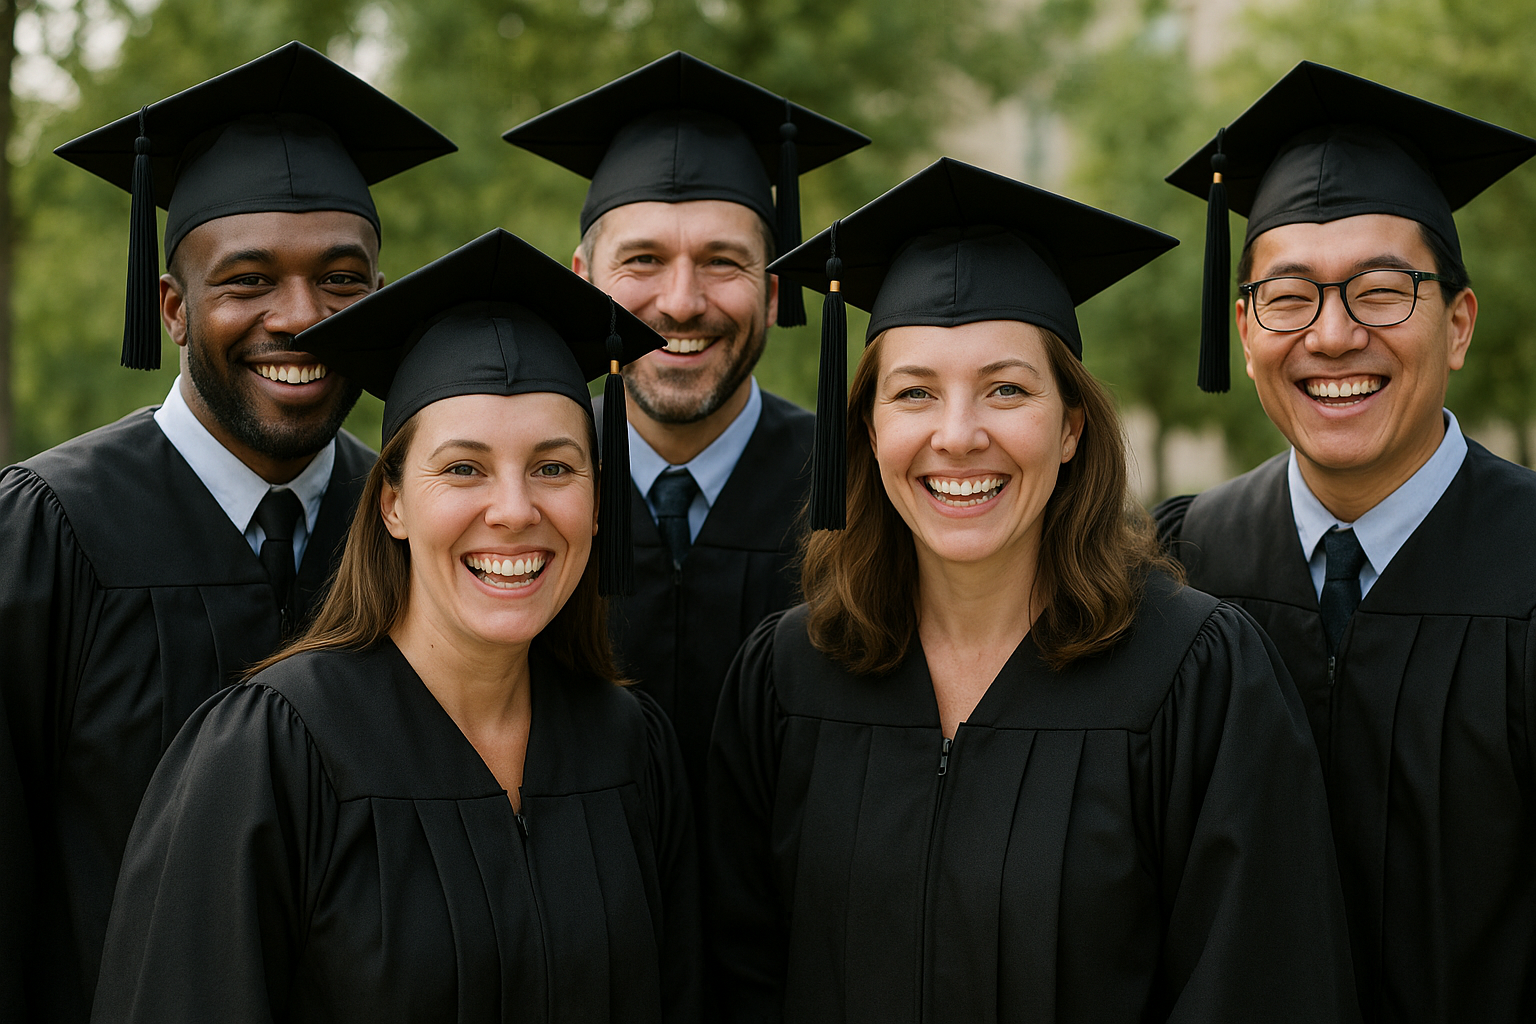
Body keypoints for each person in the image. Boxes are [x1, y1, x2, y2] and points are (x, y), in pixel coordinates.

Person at [705, 157, 1360, 1023]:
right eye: (915, 394)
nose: (958, 434)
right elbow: (731, 982)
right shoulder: (786, 678)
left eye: (1007, 389)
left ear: (1070, 429)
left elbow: (1258, 984)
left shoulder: (1196, 677)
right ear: (867, 431)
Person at [90, 228, 703, 1023]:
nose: (515, 511)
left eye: (554, 466)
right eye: (463, 469)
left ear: (597, 506)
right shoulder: (272, 752)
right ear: (392, 504)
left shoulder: (631, 747)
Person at [0, 42, 454, 1021]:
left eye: (342, 280)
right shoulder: (51, 529)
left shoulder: (418, 533)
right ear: (173, 306)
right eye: (248, 280)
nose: (301, 318)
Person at [1157, 63, 1536, 1023]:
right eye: (1289, 298)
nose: (1331, 336)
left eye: (1381, 290)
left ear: (1458, 324)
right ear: (1245, 333)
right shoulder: (1176, 566)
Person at [503, 52, 868, 798]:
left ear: (773, 291)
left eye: (721, 263)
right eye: (642, 259)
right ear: (582, 282)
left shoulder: (861, 494)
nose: (679, 302)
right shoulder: (515, 500)